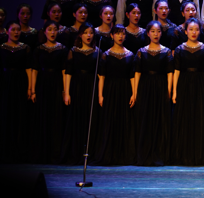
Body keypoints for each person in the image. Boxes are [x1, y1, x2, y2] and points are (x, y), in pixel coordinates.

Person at [171, 17, 204, 165]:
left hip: (200, 84)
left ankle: (199, 155)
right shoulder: (179, 49)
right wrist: (174, 91)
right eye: (191, 29)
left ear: (200, 31)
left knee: (199, 117)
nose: (194, 32)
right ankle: (183, 155)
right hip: (184, 84)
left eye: (196, 29)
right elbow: (176, 71)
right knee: (184, 118)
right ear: (185, 31)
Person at [94, 24, 136, 165]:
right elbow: (102, 77)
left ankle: (124, 154)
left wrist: (134, 93)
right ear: (112, 36)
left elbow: (132, 76)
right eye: (117, 33)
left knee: (125, 120)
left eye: (123, 33)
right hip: (110, 89)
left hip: (125, 89)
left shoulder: (130, 55)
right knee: (110, 120)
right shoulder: (106, 55)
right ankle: (109, 154)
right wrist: (100, 95)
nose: (120, 36)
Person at [134, 21, 174, 166]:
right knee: (146, 119)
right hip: (145, 87)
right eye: (153, 31)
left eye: (158, 31)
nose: (156, 34)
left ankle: (160, 154)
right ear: (147, 33)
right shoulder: (141, 51)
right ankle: (145, 154)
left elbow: (170, 73)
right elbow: (137, 73)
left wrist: (168, 91)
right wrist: (135, 92)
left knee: (160, 120)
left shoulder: (166, 51)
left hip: (161, 86)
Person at [61, 23, 101, 165]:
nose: (88, 35)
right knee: (77, 119)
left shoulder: (97, 52)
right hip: (77, 87)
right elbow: (68, 73)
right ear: (80, 35)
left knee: (91, 120)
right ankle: (75, 152)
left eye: (91, 32)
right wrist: (66, 92)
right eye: (85, 32)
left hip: (91, 87)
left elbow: (100, 75)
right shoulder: (73, 51)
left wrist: (100, 94)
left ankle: (90, 153)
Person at [30, 20, 69, 163]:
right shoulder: (38, 49)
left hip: (57, 83)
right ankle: (42, 153)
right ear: (45, 31)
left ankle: (55, 153)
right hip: (42, 84)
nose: (53, 32)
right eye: (50, 29)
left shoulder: (63, 49)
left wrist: (65, 90)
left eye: (55, 29)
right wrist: (32, 90)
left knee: (56, 117)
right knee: (43, 116)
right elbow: (34, 70)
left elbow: (64, 71)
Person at [0, 20, 33, 163]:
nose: (16, 32)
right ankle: (5, 150)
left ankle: (19, 151)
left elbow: (28, 68)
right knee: (5, 114)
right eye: (13, 29)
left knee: (19, 115)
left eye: (18, 30)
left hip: (20, 82)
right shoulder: (1, 48)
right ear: (7, 31)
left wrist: (30, 88)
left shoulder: (25, 48)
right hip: (5, 82)